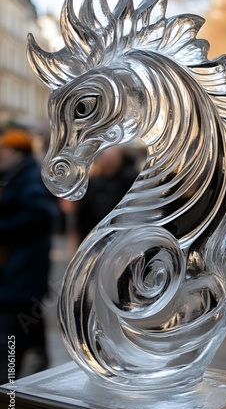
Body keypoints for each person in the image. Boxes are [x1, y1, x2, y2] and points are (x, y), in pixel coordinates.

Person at [0, 128, 60, 383]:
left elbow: (42, 215)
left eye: (3, 151)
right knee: (28, 321)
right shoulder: (17, 174)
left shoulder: (29, 177)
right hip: (22, 269)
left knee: (9, 332)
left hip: (24, 267)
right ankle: (41, 364)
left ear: (15, 152)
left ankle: (6, 392)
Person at [74, 146, 138, 244]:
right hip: (95, 235)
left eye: (112, 158)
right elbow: (84, 211)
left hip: (121, 236)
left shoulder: (129, 179)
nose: (109, 162)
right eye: (106, 158)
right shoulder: (94, 180)